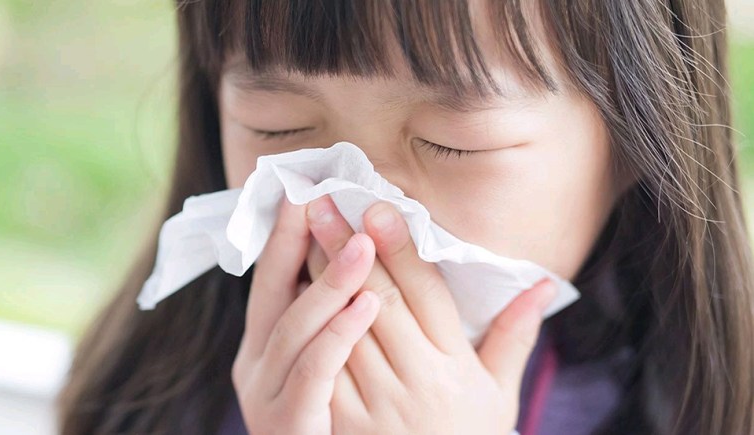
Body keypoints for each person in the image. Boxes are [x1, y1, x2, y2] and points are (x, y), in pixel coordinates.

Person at [57, 0, 754, 433]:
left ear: (642, 139)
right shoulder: (161, 388)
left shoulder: (706, 403)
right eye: (277, 126)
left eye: (453, 142)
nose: (360, 215)